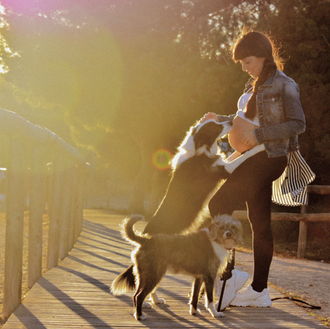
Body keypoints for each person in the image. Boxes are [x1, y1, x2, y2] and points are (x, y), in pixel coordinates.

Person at [202, 30, 315, 309]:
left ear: (264, 56)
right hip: (251, 157)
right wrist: (221, 120)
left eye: (248, 61)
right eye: (241, 63)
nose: (245, 67)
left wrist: (262, 135)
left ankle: (231, 274)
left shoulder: (285, 84)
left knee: (219, 202)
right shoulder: (251, 85)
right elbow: (245, 119)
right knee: (260, 224)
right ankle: (259, 290)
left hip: (269, 157)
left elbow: (297, 124)